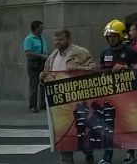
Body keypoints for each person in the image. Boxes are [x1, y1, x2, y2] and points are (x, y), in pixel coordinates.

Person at [39, 30, 97, 164]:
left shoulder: (80, 52)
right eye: (55, 40)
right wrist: (42, 78)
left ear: (68, 39)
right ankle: (65, 160)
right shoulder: (51, 57)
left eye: (60, 39)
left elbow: (94, 69)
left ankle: (88, 151)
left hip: (78, 100)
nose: (57, 42)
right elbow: (47, 77)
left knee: (80, 132)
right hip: (59, 103)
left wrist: (78, 69)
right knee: (63, 134)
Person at [98, 19, 137, 164]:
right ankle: (107, 157)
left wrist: (125, 68)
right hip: (110, 95)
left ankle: (130, 152)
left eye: (114, 36)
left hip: (127, 93)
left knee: (127, 124)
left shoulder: (130, 52)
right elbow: (101, 71)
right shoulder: (105, 52)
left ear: (121, 35)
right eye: (108, 36)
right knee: (108, 126)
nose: (111, 39)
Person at [23, 20, 48, 113]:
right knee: (34, 85)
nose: (43, 29)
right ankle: (32, 105)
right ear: (36, 28)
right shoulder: (29, 39)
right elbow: (27, 52)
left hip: (43, 62)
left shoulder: (41, 38)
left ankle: (42, 104)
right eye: (41, 27)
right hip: (34, 63)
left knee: (43, 84)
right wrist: (41, 55)